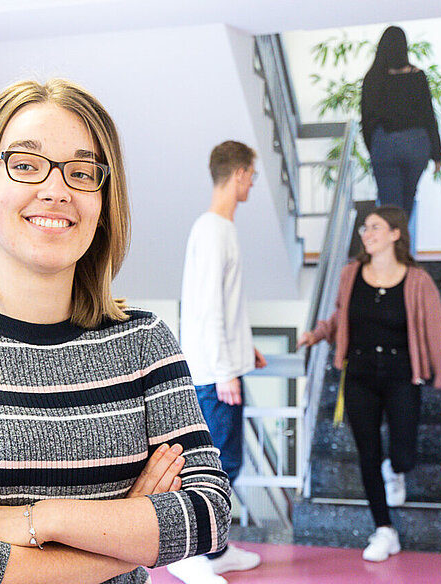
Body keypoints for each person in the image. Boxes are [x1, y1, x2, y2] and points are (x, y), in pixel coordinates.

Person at [0, 79, 231, 584]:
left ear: (104, 203)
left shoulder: (145, 342)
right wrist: (131, 529)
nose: (57, 189)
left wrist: (42, 519)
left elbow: (209, 517)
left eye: (83, 173)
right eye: (25, 164)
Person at [298, 205, 441, 563]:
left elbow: (437, 335)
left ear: (395, 233)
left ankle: (398, 471)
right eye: (363, 229)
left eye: (374, 227)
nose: (366, 234)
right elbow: (342, 315)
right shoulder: (350, 273)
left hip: (403, 376)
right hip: (359, 377)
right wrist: (318, 333)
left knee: (402, 452)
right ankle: (384, 529)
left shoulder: (418, 281)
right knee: (368, 454)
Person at [171, 140, 267, 583]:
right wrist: (225, 368)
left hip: (222, 365)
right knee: (219, 465)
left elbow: (222, 307)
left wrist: (244, 349)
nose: (253, 182)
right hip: (213, 374)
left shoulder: (219, 229)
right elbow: (206, 306)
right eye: (252, 174)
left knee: (229, 461)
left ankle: (218, 550)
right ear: (240, 174)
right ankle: (190, 555)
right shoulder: (212, 230)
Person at [360, 26, 441, 223]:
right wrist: (437, 154)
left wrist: (373, 148)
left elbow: (366, 119)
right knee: (408, 199)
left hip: (385, 144)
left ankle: (394, 250)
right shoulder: (417, 75)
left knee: (389, 207)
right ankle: (402, 248)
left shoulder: (373, 78)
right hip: (417, 145)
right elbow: (429, 116)